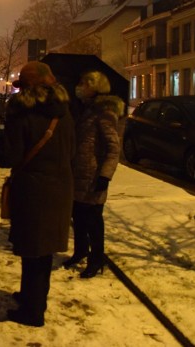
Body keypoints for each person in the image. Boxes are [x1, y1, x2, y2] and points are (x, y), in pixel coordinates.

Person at [3, 61, 75, 327]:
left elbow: (9, 155)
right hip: (59, 190)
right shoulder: (64, 113)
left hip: (33, 192)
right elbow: (73, 152)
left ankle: (33, 312)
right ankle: (32, 298)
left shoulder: (24, 114)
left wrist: (0, 138)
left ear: (29, 86)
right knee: (42, 253)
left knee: (33, 251)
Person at [64, 71, 124, 278]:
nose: (79, 86)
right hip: (79, 174)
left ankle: (96, 259)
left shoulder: (104, 112)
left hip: (93, 177)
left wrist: (105, 176)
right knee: (78, 216)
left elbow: (114, 148)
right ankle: (81, 251)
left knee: (93, 221)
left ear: (94, 86)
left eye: (83, 83)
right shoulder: (87, 110)